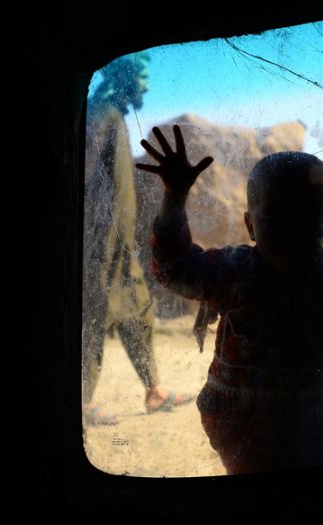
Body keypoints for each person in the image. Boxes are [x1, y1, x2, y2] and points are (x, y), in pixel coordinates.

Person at [138, 125, 323, 474]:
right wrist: (174, 197)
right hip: (246, 421)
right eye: (278, 214)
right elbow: (174, 269)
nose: (293, 227)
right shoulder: (251, 270)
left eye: (307, 215)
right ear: (250, 226)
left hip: (302, 418)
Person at [81, 55, 193, 426]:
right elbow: (93, 186)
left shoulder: (114, 116)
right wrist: (103, 250)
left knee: (138, 311)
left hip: (118, 247)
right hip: (101, 249)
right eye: (142, 77)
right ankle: (79, 402)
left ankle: (154, 391)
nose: (146, 85)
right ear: (125, 77)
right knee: (93, 316)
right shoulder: (103, 114)